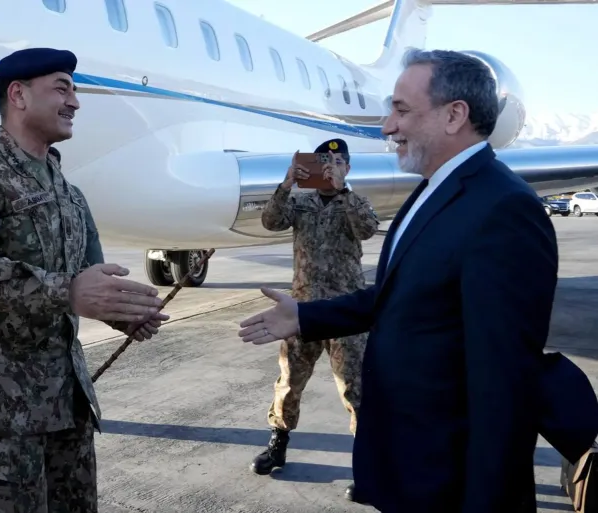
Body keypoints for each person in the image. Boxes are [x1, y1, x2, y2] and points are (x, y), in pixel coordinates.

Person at [238, 49, 559, 513]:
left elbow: (503, 385)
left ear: (455, 115)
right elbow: (396, 298)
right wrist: (306, 315)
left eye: (401, 110)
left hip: (446, 480)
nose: (387, 126)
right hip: (413, 470)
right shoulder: (433, 191)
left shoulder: (504, 209)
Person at [0, 47, 168, 513]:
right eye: (62, 87)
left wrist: (123, 312)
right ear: (18, 94)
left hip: (64, 405)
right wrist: (67, 291)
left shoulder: (66, 191)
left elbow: (87, 278)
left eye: (74, 89)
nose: (75, 101)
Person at [250, 138, 379, 503]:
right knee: (289, 382)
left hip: (345, 313)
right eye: (324, 159)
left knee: (356, 389)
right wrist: (288, 181)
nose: (330, 165)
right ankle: (278, 444)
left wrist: (343, 191)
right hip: (301, 312)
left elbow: (367, 229)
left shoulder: (356, 201)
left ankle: (366, 464)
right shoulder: (301, 202)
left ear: (348, 168)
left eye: (338, 161)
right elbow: (270, 220)